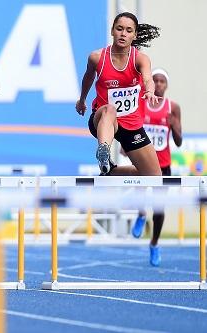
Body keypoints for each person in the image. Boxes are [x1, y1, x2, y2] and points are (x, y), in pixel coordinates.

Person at [76, 11, 162, 178]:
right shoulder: (97, 57)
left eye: (129, 30)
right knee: (110, 109)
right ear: (112, 31)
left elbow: (148, 79)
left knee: (154, 177)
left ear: (135, 35)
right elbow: (88, 78)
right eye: (119, 29)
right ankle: (103, 153)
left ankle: (112, 172)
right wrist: (82, 100)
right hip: (103, 120)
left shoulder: (140, 59)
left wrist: (150, 91)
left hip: (131, 125)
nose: (123, 34)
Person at [131, 68, 182, 266]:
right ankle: (142, 214)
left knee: (159, 209)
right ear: (151, 82)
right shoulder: (141, 103)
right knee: (139, 193)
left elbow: (178, 141)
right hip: (143, 161)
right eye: (156, 80)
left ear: (166, 85)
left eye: (162, 81)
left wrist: (174, 125)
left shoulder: (173, 107)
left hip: (164, 165)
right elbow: (131, 127)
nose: (159, 84)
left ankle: (154, 243)